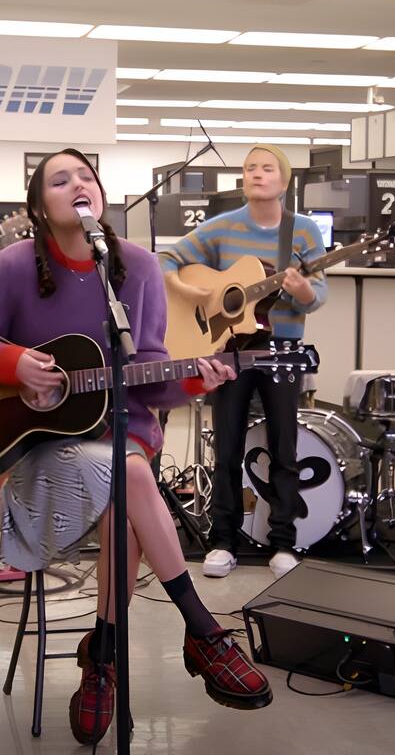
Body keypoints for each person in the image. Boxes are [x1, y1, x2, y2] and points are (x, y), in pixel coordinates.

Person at [0, 148, 272, 745]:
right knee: (129, 478)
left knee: (126, 472)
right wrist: (10, 364)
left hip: (121, 431)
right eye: (60, 180)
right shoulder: (12, 266)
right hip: (41, 445)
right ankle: (197, 628)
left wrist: (194, 380)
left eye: (86, 176)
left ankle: (103, 656)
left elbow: (151, 375)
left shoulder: (136, 267)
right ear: (39, 206)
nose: (78, 184)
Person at [161, 144, 327, 580]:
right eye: (250, 167)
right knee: (228, 447)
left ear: (284, 180)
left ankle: (284, 542)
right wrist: (197, 292)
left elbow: (318, 296)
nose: (256, 173)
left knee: (284, 449)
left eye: (266, 167)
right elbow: (167, 260)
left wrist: (302, 290)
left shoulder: (303, 231)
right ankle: (223, 540)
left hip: (282, 351)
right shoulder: (220, 228)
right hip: (230, 350)